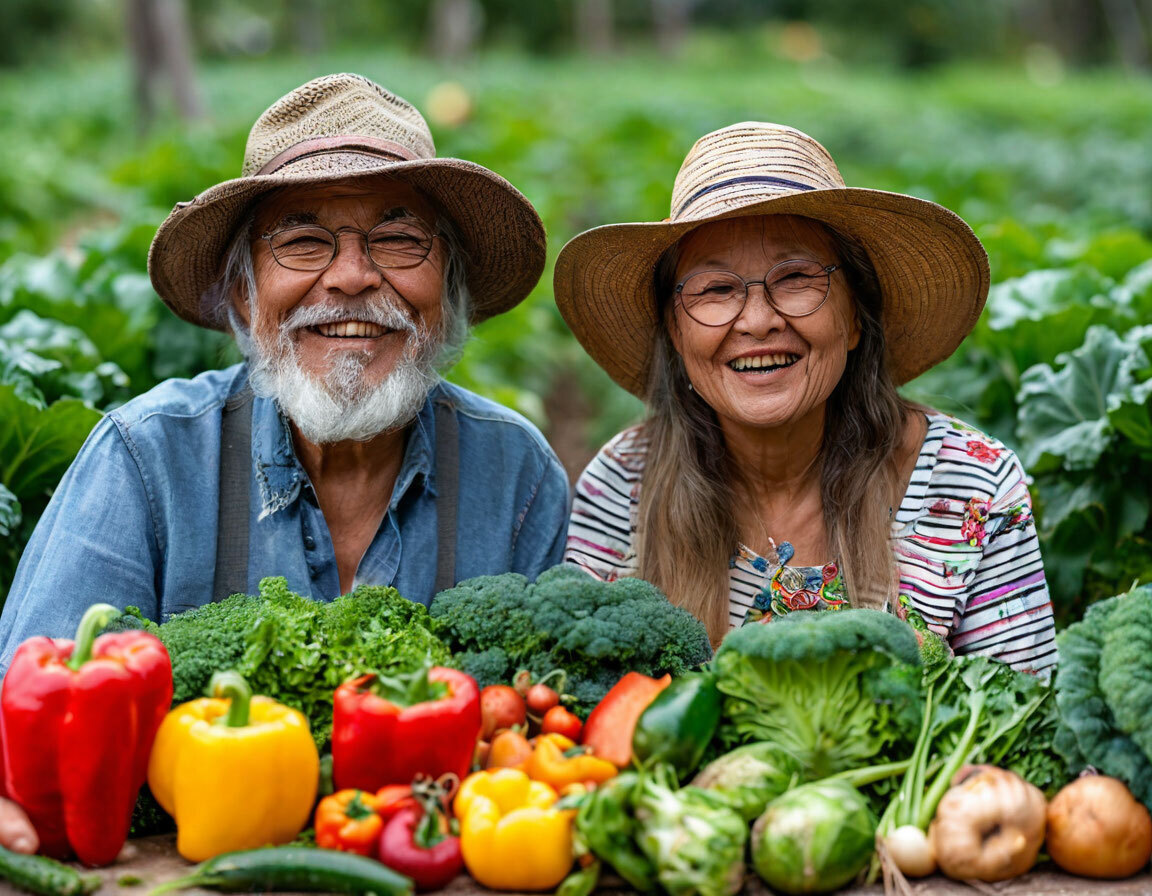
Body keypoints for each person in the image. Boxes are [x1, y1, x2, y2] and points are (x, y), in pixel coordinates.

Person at [556, 121, 1056, 675]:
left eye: (796, 278)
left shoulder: (970, 486)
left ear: (856, 318)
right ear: (675, 335)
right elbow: (583, 718)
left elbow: (1018, 725)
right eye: (716, 289)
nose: (759, 320)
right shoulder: (624, 483)